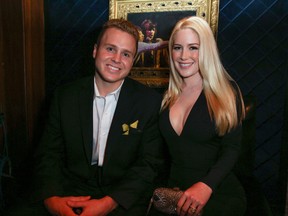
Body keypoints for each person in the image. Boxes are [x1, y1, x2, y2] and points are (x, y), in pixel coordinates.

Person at [6, 18, 164, 216]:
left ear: (132, 61)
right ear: (95, 50)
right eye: (110, 49)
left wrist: (108, 203)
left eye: (126, 54)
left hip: (120, 196)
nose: (116, 59)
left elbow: (148, 164)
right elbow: (48, 154)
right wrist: (52, 199)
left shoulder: (149, 102)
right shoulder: (64, 96)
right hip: (68, 190)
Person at [154, 16, 247, 216]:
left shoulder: (226, 92)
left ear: (206, 50)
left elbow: (232, 149)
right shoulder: (167, 96)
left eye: (193, 47)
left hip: (217, 193)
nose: (183, 55)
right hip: (175, 194)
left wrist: (206, 185)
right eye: (177, 47)